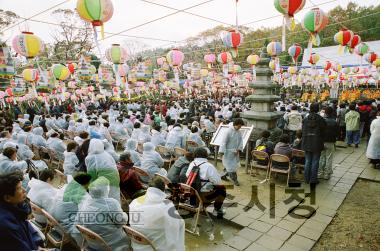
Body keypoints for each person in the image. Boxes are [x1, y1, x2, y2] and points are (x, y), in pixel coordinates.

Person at [129, 177, 185, 251]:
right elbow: (178, 224)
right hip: (155, 247)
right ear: (163, 190)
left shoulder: (135, 202)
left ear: (148, 188)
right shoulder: (167, 205)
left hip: (137, 244)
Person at [78, 177, 129, 251]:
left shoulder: (84, 202)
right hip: (112, 244)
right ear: (106, 190)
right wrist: (125, 215)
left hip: (92, 243)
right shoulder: (111, 203)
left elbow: (80, 222)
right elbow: (121, 222)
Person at [0, 172, 45, 251]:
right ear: (7, 198)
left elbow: (27, 227)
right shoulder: (6, 225)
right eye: (19, 188)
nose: (24, 190)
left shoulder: (16, 208)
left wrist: (38, 245)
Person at [186, 147, 226, 217]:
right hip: (203, 196)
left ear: (195, 155)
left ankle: (200, 205)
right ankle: (217, 209)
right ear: (206, 155)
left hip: (192, 195)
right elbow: (217, 182)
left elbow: (187, 175)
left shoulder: (192, 163)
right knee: (222, 189)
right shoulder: (209, 166)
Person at [302, 103, 326, 184]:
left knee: (308, 161)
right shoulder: (321, 119)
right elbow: (324, 131)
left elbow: (303, 130)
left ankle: (306, 178)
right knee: (315, 161)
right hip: (317, 142)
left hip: (307, 141)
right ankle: (313, 179)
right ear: (317, 109)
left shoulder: (305, 119)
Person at [219, 118, 244, 186]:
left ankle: (223, 176)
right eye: (239, 126)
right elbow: (223, 142)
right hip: (228, 152)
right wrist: (221, 152)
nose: (240, 127)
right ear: (235, 125)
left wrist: (238, 149)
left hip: (235, 152)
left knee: (232, 166)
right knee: (231, 167)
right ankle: (235, 180)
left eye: (240, 126)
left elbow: (241, 141)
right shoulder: (228, 131)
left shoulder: (238, 132)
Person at [319, 107, 338, 180]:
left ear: (325, 113)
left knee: (321, 157)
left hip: (321, 141)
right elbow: (337, 133)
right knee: (329, 158)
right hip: (330, 142)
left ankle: (320, 173)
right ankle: (327, 174)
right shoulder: (334, 122)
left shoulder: (321, 121)